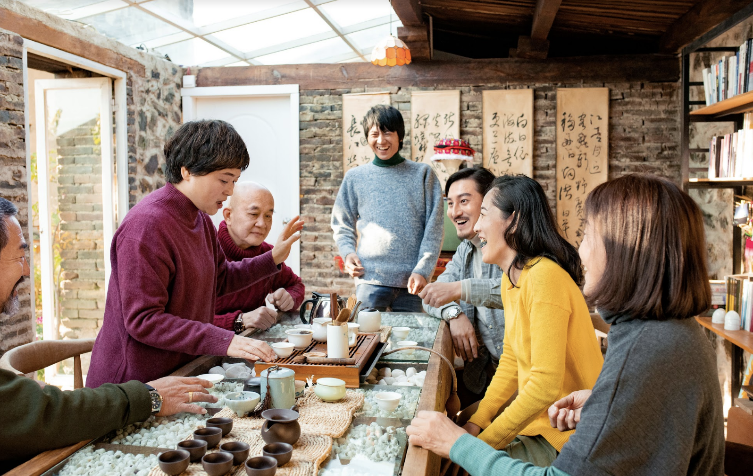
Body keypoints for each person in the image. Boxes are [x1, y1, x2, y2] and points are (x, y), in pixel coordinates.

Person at [407, 174, 724, 476]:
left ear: (626, 252)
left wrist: (464, 446)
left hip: (551, 436)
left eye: (588, 234)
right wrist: (602, 400)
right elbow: (514, 363)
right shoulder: (668, 334)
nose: (581, 250)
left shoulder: (645, 348)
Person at [0, 198, 216, 473]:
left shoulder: (203, 225)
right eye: (20, 256)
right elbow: (48, 414)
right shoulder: (145, 224)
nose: (28, 270)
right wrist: (148, 396)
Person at [87, 120, 302, 387]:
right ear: (187, 171)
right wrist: (226, 339)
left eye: (234, 181)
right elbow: (144, 320)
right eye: (224, 180)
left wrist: (272, 259)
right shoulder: (146, 226)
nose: (230, 190)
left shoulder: (200, 219)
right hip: (132, 384)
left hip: (179, 373)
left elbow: (220, 279)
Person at [409, 174, 603, 467]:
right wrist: (476, 423)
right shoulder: (512, 279)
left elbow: (544, 386)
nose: (477, 227)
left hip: (564, 436)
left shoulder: (543, 276)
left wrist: (473, 447)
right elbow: (511, 361)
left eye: (483, 214)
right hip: (536, 425)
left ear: (513, 221)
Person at [331, 104, 444, 312]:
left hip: (413, 283)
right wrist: (347, 253)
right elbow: (341, 223)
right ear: (367, 138)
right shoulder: (355, 178)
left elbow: (434, 228)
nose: (381, 141)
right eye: (374, 134)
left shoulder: (423, 175)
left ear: (400, 136)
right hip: (369, 281)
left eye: (388, 133)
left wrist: (423, 270)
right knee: (367, 340)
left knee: (411, 343)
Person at [418, 167, 505, 404]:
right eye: (450, 203)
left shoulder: (509, 246)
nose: (455, 212)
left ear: (489, 203)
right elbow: (431, 295)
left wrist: (460, 289)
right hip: (482, 375)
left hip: (517, 377)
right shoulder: (466, 249)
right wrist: (454, 313)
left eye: (464, 201)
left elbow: (513, 291)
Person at [214, 182, 305, 333]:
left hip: (253, 346)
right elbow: (188, 321)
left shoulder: (267, 252)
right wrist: (240, 321)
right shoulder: (205, 251)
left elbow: (296, 285)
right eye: (253, 214)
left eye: (268, 215)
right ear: (228, 215)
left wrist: (289, 298)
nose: (262, 224)